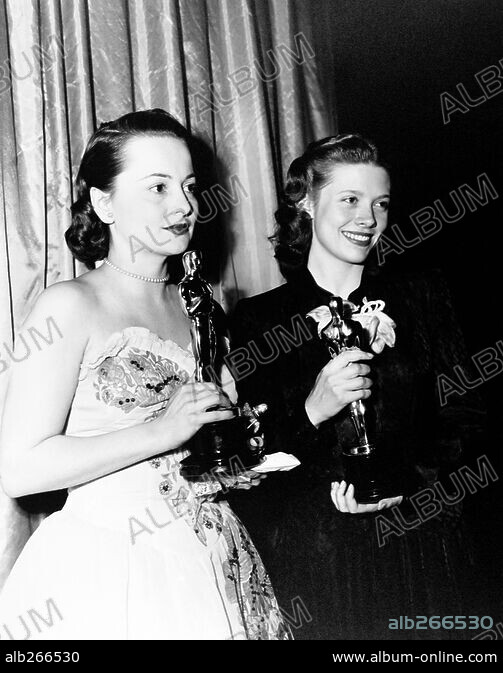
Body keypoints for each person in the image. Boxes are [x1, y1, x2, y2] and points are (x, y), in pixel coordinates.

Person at [0, 109, 289, 640]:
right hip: (108, 564)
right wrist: (161, 431)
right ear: (103, 202)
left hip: (213, 553)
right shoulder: (69, 307)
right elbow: (18, 468)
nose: (184, 205)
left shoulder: (201, 306)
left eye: (188, 186)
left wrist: (237, 463)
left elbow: (199, 454)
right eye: (157, 187)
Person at [228, 134, 485, 640]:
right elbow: (250, 453)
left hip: (422, 542)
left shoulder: (423, 295)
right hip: (316, 557)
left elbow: (467, 416)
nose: (368, 218)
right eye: (349, 199)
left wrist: (405, 480)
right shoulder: (259, 319)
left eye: (380, 204)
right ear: (306, 202)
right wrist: (313, 409)